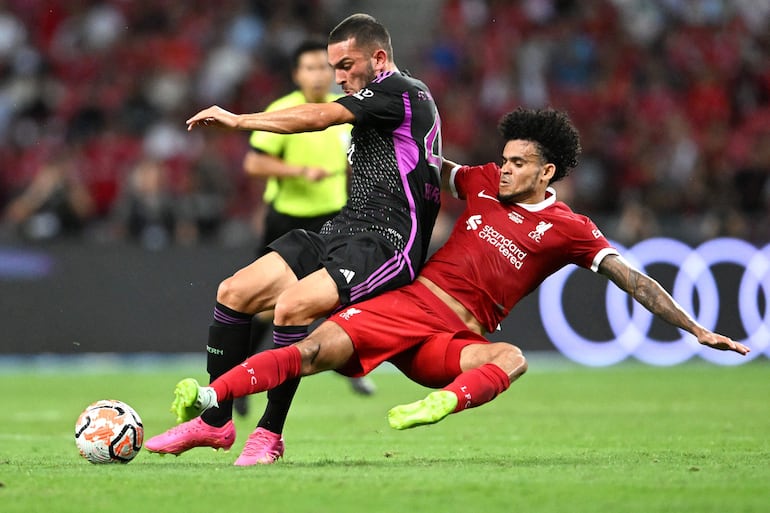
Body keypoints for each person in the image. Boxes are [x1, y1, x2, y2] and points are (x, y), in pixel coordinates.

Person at [160, 107, 749, 454]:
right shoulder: (484, 181)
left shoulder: (571, 229)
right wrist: (379, 137)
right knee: (312, 348)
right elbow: (433, 165)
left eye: (519, 162)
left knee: (513, 356)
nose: (505, 167)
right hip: (412, 304)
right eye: (506, 158)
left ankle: (442, 404)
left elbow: (633, 280)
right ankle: (214, 402)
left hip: (451, 344)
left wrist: (696, 328)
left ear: (546, 171)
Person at [145, 14, 443, 465]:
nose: (338, 77)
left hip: (385, 242)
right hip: (341, 229)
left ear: (379, 58)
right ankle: (215, 422)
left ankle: (269, 433)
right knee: (234, 292)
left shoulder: (402, 91)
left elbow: (321, 118)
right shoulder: (384, 107)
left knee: (291, 307)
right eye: (332, 66)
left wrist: (240, 120)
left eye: (346, 65)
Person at [236, 39, 376, 417]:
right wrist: (298, 171)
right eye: (309, 68)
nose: (318, 74)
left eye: (323, 68)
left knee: (347, 293)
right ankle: (242, 377)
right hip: (287, 219)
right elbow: (254, 164)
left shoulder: (344, 111)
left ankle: (351, 365)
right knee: (267, 306)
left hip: (332, 218)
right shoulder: (283, 111)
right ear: (297, 74)